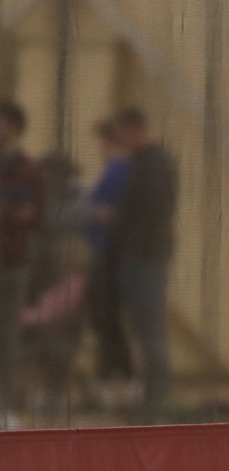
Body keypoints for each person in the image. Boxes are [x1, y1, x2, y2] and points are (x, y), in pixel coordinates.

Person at [111, 107, 177, 410]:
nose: (120, 139)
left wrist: (133, 244)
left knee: (150, 326)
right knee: (143, 326)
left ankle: (158, 393)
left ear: (134, 129)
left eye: (122, 133)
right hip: (138, 256)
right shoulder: (142, 164)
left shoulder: (155, 165)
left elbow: (151, 214)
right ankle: (152, 390)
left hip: (146, 257)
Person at [84, 119, 134, 394]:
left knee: (105, 315)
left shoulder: (121, 171)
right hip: (103, 251)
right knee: (104, 316)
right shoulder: (113, 171)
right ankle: (113, 374)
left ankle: (118, 374)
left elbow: (114, 211)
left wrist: (101, 214)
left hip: (110, 254)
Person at [0, 102, 44, 418]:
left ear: (15, 128)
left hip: (11, 264)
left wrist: (11, 212)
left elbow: (36, 215)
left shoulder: (28, 170)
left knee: (6, 338)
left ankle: (4, 406)